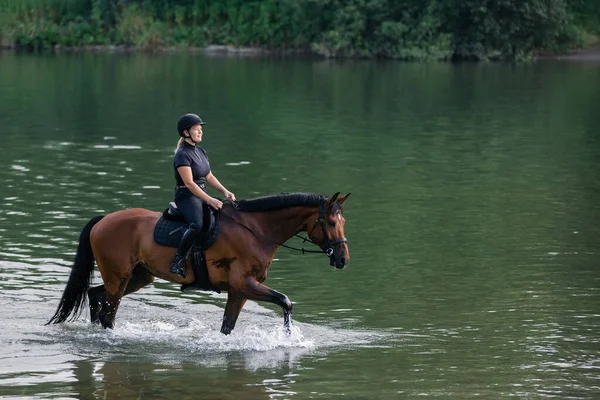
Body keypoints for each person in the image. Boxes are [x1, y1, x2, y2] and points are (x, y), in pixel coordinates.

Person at [169, 113, 236, 277]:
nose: (200, 133)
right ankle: (178, 261)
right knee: (196, 225)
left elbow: (209, 176)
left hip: (200, 194)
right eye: (196, 130)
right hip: (186, 196)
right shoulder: (182, 154)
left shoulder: (201, 151)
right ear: (186, 133)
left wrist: (224, 191)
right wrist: (210, 199)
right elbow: (190, 183)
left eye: (201, 130)